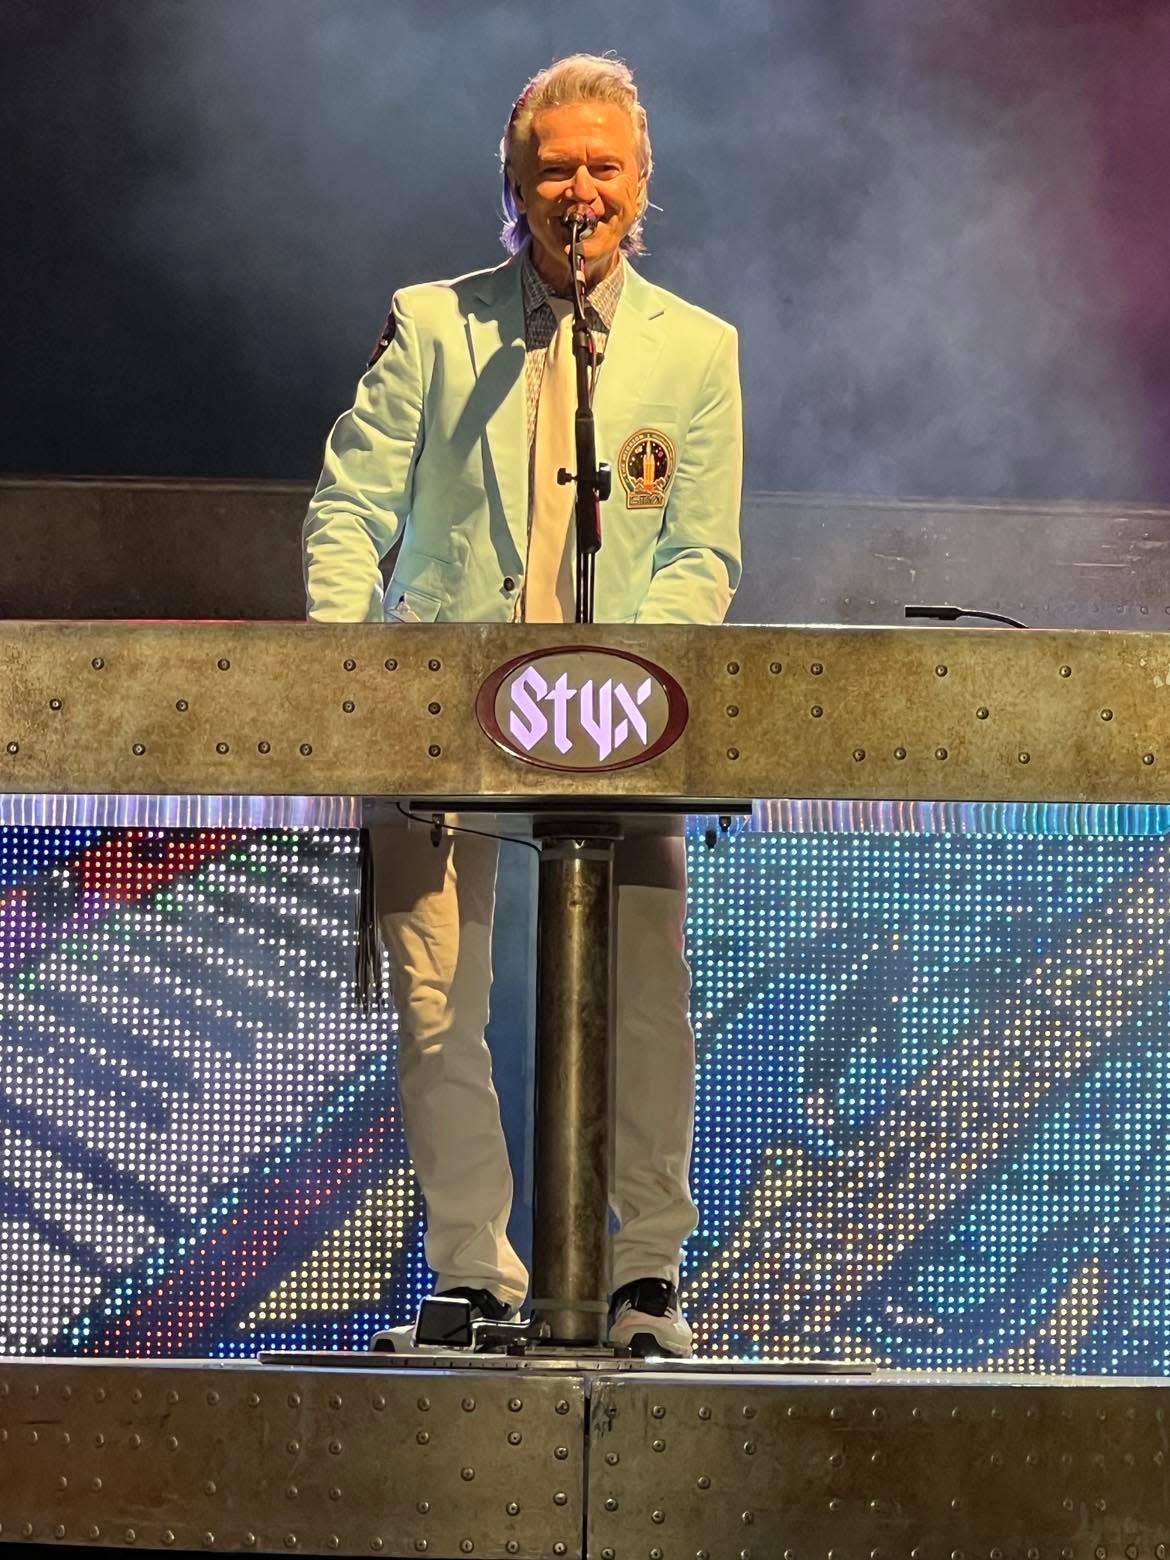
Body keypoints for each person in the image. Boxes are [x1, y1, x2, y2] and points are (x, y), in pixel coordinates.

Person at [302, 53, 742, 1356]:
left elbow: (700, 552)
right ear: (515, 183)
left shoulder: (695, 348)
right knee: (438, 999)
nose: (579, 188)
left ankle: (642, 1280)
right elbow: (348, 510)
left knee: (644, 999)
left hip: (618, 727)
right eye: (554, 165)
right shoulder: (434, 326)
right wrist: (346, 675)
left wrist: (630, 687)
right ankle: (477, 1278)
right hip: (435, 712)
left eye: (602, 165)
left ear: (640, 183)